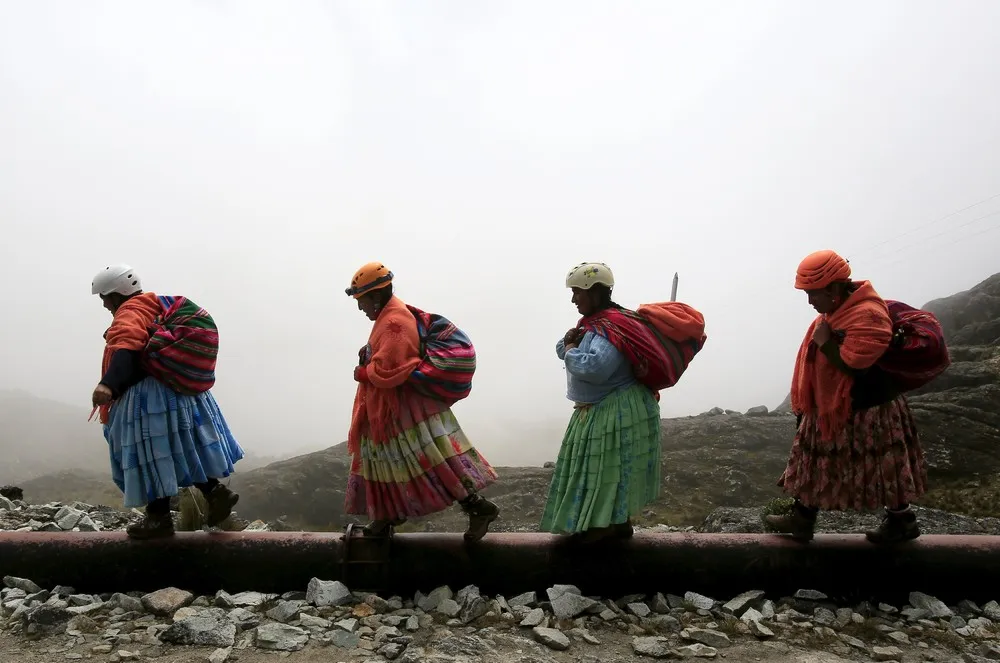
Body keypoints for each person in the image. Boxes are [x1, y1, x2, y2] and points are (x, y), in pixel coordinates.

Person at [765, 250, 927, 544]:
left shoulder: (868, 315)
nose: (810, 301)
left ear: (835, 288)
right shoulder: (837, 311)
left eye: (813, 293)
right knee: (814, 458)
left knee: (882, 464)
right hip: (838, 406)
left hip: (870, 408)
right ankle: (802, 518)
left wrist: (826, 345)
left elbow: (857, 366)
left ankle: (901, 521)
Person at [344, 262, 499, 540]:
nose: (360, 308)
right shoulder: (391, 315)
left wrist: (363, 370)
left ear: (376, 296)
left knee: (432, 461)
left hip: (403, 409)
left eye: (362, 300)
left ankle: (479, 508)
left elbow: (389, 370)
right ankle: (386, 516)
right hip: (394, 408)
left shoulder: (393, 321)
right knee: (390, 460)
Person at [91, 264, 244, 540]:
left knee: (151, 451)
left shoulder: (130, 312)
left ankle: (158, 518)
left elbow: (127, 347)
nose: (104, 305)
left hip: (151, 395)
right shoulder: (157, 305)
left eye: (104, 298)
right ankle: (215, 492)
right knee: (184, 446)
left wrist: (108, 385)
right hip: (180, 391)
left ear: (116, 294)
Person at [540, 262, 663, 543]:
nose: (573, 300)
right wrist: (569, 343)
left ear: (594, 293)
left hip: (616, 407)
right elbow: (566, 348)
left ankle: (606, 527)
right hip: (601, 407)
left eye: (577, 293)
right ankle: (612, 523)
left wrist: (571, 349)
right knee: (606, 469)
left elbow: (594, 368)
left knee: (608, 469)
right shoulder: (595, 325)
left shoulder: (611, 329)